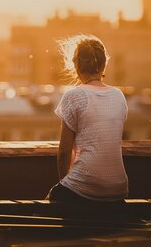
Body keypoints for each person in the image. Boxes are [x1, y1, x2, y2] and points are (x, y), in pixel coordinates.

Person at [47, 35, 128, 203]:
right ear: (103, 64)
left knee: (43, 209)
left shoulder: (74, 96)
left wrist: (64, 183)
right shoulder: (118, 96)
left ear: (76, 65)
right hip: (118, 188)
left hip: (86, 186)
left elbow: (63, 152)